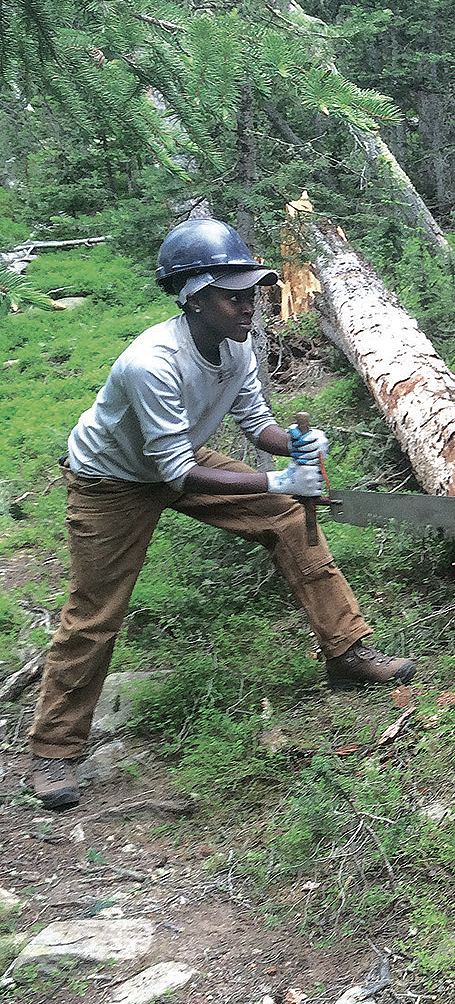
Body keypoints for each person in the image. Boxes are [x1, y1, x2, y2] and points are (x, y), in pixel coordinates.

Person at [27, 218, 416, 811]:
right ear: (195, 296)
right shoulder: (150, 363)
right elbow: (173, 472)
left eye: (253, 293)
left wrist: (299, 445)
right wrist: (277, 478)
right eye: (234, 295)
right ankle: (54, 750)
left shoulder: (235, 349)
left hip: (174, 456)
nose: (249, 305)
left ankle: (347, 652)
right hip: (112, 482)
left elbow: (256, 427)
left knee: (288, 517)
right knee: (96, 611)